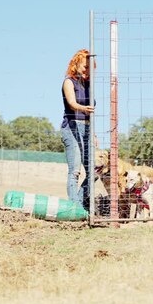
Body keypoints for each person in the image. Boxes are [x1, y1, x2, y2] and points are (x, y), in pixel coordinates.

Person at [61, 49, 95, 210]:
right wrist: (84, 108)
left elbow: (90, 114)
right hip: (72, 127)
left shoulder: (89, 85)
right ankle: (73, 209)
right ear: (76, 64)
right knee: (75, 171)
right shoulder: (69, 82)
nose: (86, 70)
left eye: (89, 67)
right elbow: (72, 104)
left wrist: (93, 133)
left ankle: (78, 205)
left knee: (94, 171)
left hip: (87, 128)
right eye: (84, 66)